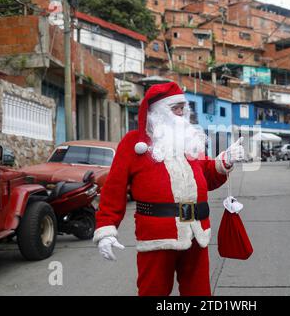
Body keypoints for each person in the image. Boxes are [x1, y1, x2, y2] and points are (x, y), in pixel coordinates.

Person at [93, 82, 245, 296]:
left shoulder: (190, 142)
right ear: (157, 112)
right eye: (176, 108)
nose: (182, 112)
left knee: (199, 293)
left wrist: (224, 162)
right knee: (153, 292)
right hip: (157, 237)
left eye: (184, 107)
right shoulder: (133, 143)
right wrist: (106, 230)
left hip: (196, 233)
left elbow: (207, 177)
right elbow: (113, 189)